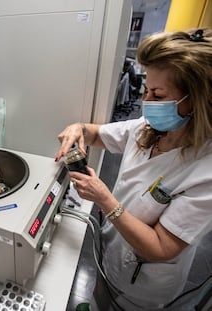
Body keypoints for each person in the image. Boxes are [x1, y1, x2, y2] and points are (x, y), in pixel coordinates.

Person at [56, 29, 212, 310]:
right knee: (99, 296)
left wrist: (104, 198)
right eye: (146, 90)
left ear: (196, 99)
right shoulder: (146, 129)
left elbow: (162, 247)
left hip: (145, 283)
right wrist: (76, 128)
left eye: (158, 94)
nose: (147, 101)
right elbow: (95, 134)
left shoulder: (205, 171)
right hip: (113, 249)